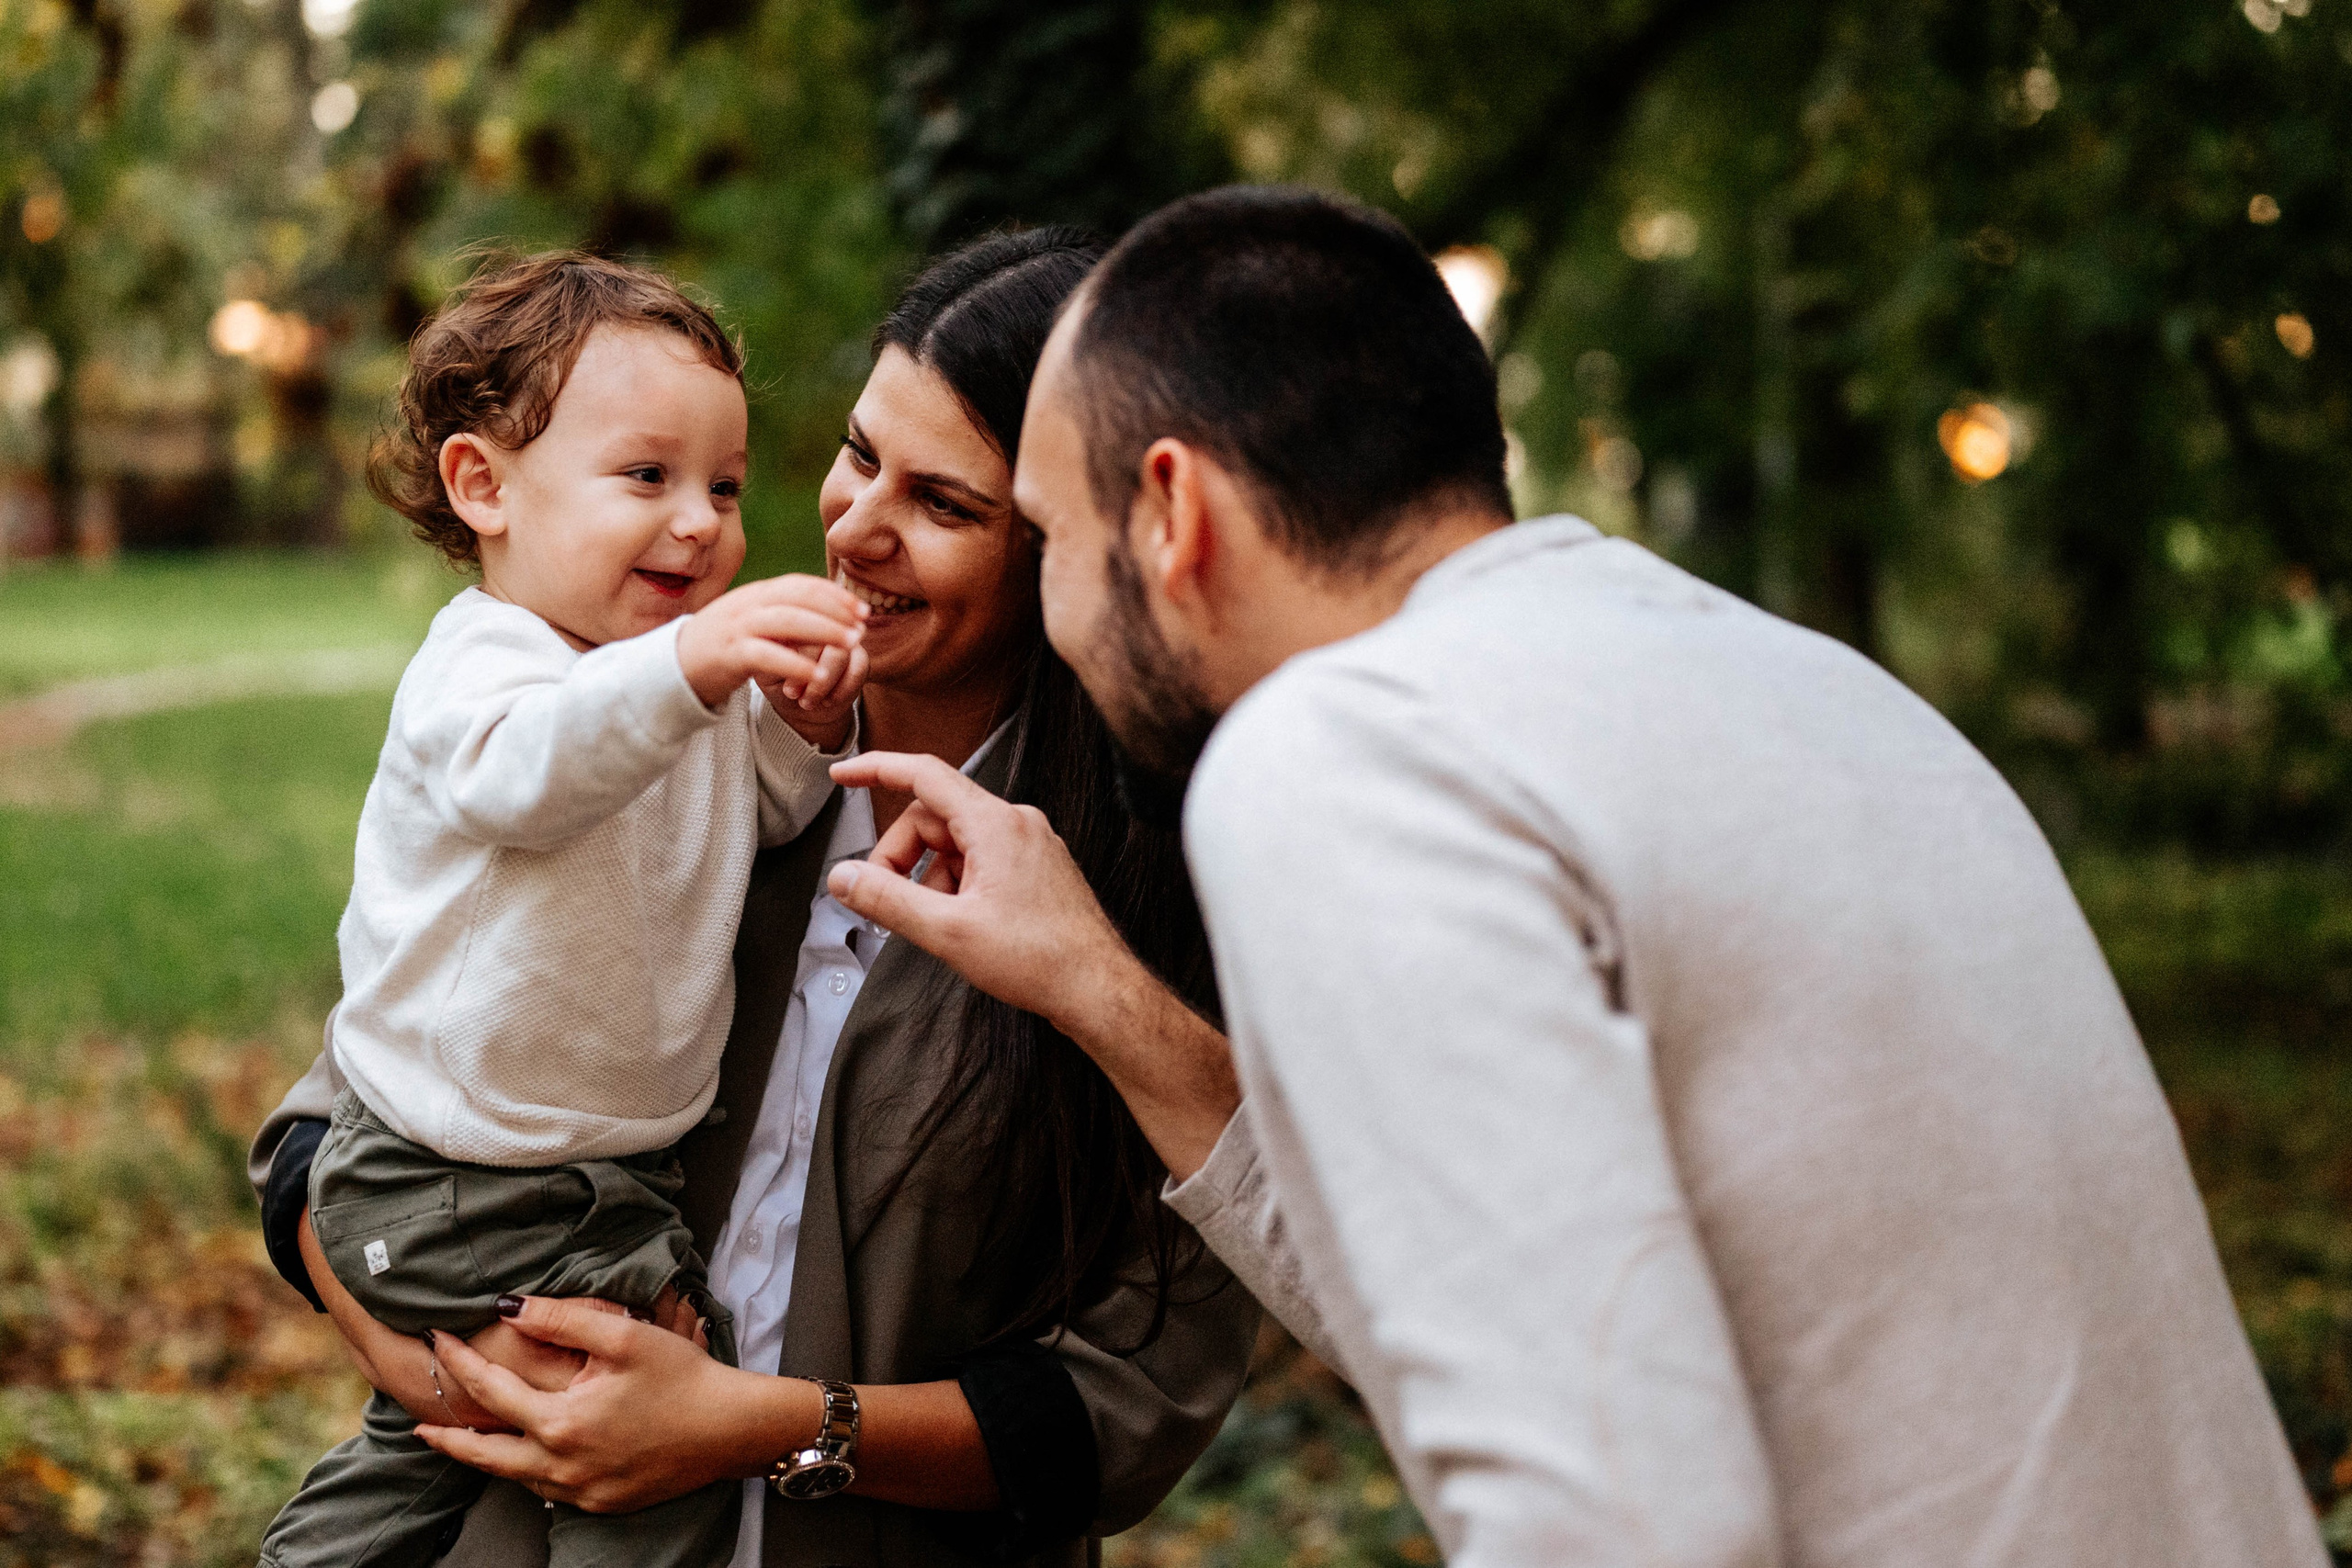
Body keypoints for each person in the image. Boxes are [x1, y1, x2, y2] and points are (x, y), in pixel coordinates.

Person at [819, 186, 2332, 1567]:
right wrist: (1092, 980)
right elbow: (1496, 1301)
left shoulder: (1345, 752)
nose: (1065, 620)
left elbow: (1608, 1513)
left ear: (1172, 513)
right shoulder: (1805, 689)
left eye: (1051, 540)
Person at [247, 230, 1259, 1568]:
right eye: (855, 455)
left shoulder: (1154, 888)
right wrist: (455, 1383)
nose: (853, 525)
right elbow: (332, 1123)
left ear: (1071, 559)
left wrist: (761, 1425)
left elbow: (1136, 1404)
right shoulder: (667, 714)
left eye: (945, 507)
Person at [258, 250, 870, 1568]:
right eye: (646, 478)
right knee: (646, 1432)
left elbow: (761, 811)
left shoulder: (671, 677)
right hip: (449, 1166)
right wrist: (696, 665)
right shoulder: (487, 667)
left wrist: (806, 730)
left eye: (720, 484)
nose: (700, 522)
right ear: (485, 487)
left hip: (579, 1166)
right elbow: (532, 779)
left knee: (424, 1450)